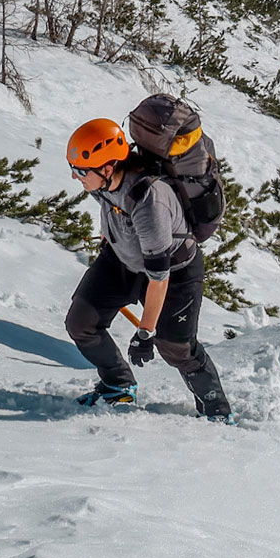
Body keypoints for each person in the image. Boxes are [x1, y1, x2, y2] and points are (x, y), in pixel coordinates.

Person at [63, 118, 233, 422]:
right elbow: (109, 205)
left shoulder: (149, 200)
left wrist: (145, 332)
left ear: (107, 168)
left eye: (80, 172)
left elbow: (159, 276)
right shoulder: (104, 181)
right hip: (123, 259)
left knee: (175, 348)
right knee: (81, 322)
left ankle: (216, 410)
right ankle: (117, 385)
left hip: (174, 272)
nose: (76, 177)